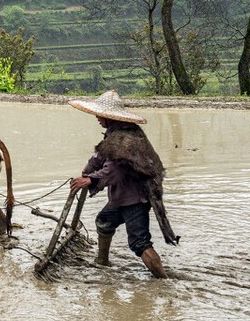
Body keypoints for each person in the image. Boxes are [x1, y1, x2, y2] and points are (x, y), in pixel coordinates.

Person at [67, 90, 176, 279]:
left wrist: (90, 179)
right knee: (104, 221)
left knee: (140, 243)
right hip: (123, 196)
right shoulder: (117, 133)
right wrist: (87, 171)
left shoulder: (124, 139)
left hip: (134, 198)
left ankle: (164, 281)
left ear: (108, 117)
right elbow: (101, 156)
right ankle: (102, 261)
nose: (97, 118)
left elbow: (114, 170)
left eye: (99, 114)